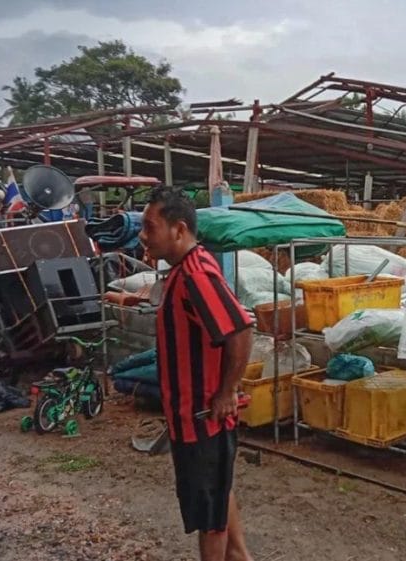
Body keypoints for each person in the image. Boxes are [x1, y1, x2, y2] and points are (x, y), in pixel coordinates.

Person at [139, 187, 254, 561]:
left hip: (203, 420)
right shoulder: (182, 271)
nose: (142, 235)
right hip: (189, 418)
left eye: (150, 226)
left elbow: (240, 330)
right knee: (217, 496)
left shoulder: (195, 275)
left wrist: (227, 391)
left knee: (209, 516)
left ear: (178, 229)